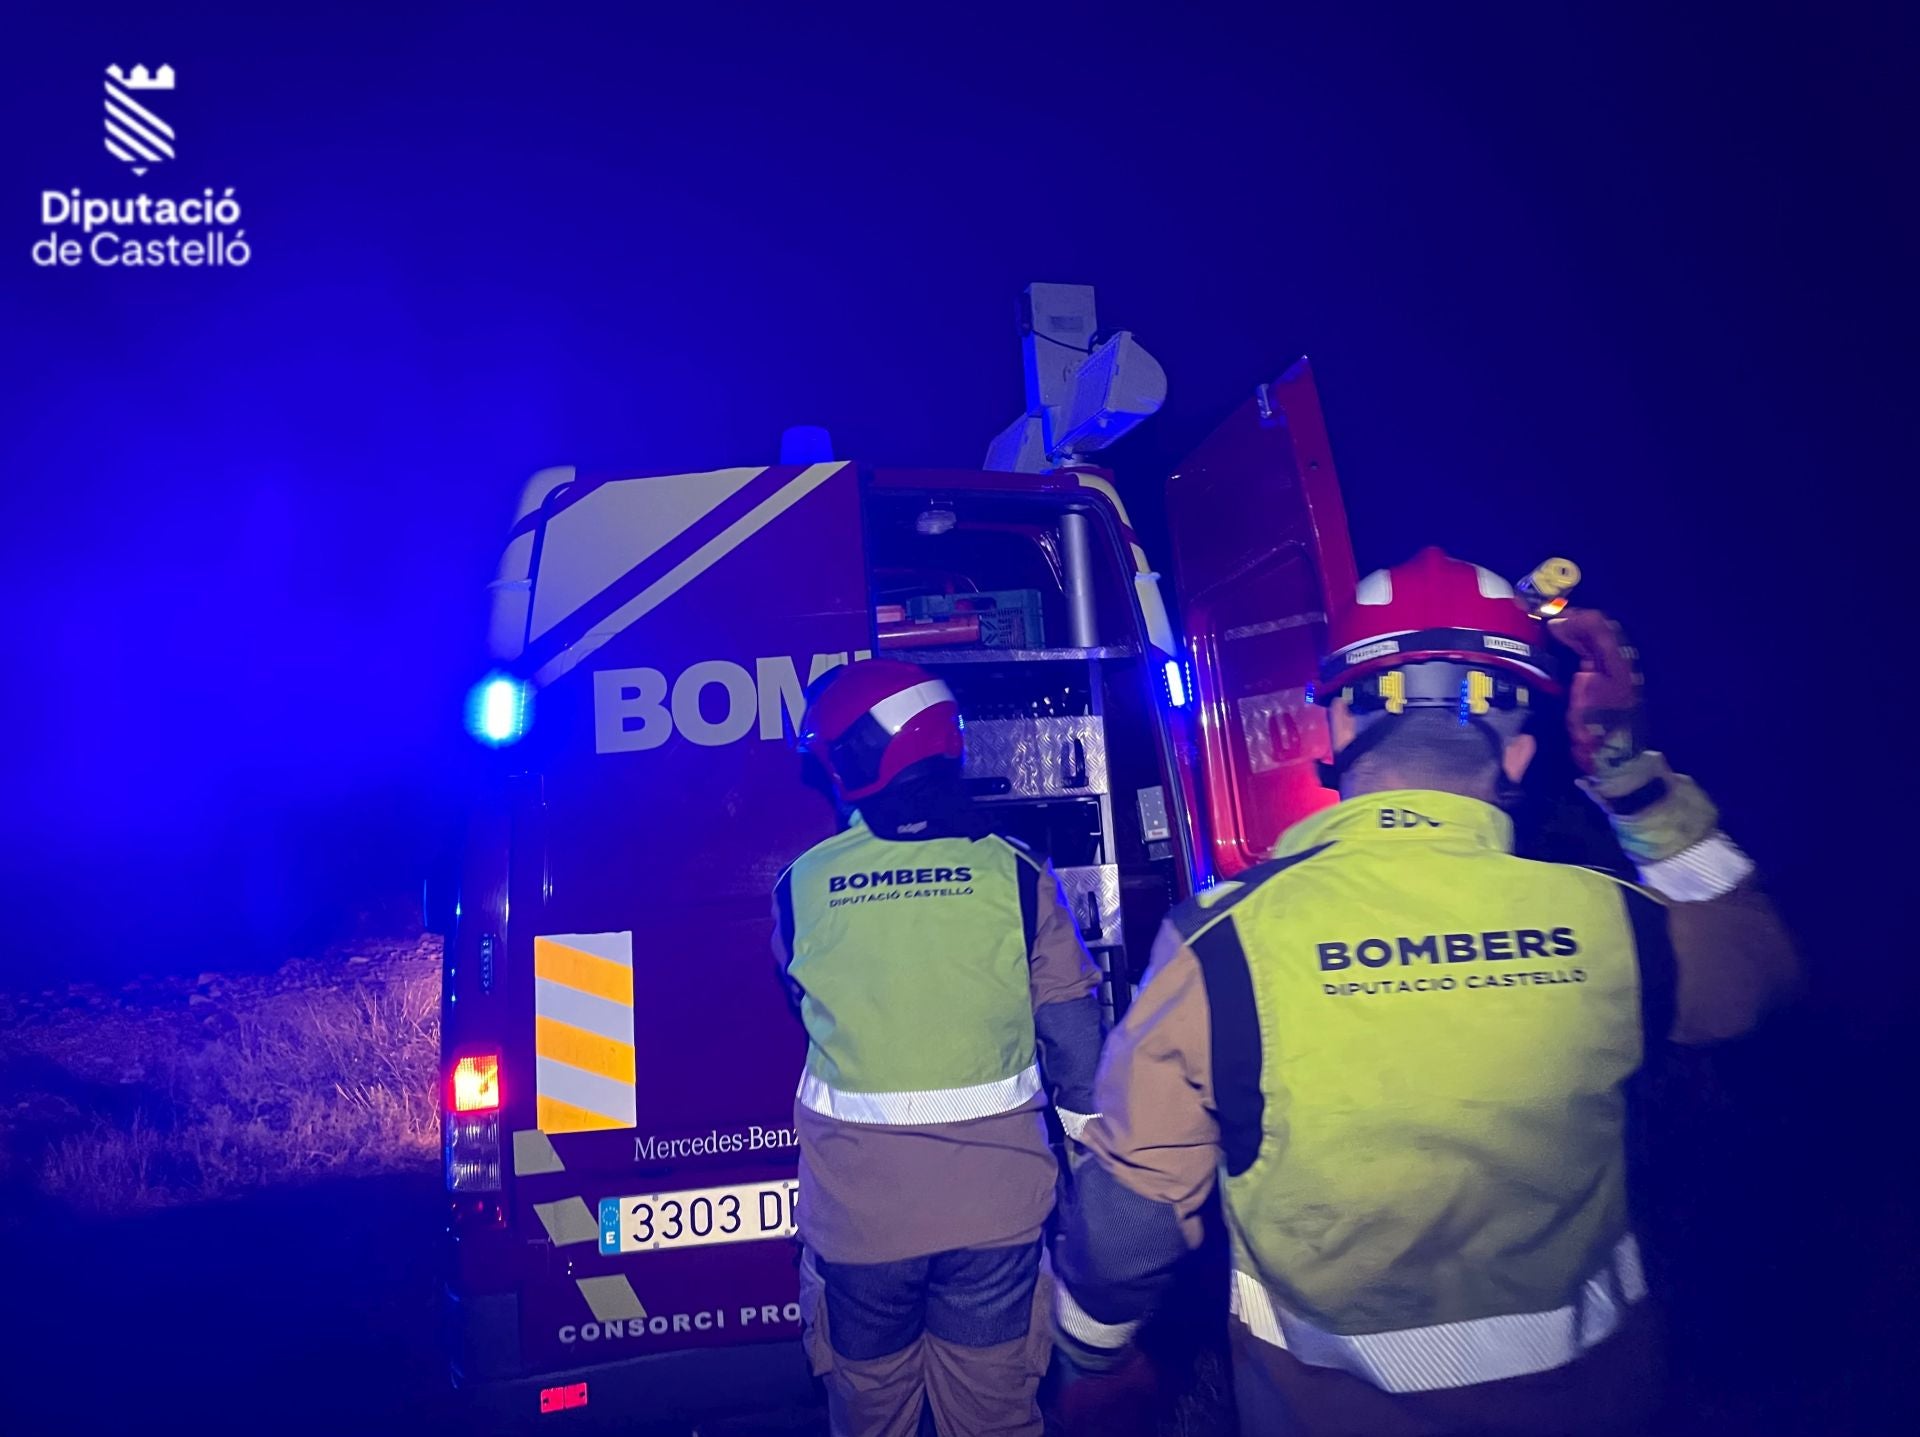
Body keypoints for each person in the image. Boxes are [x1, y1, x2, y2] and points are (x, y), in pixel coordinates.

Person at [1051, 547, 1798, 1436]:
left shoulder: (1221, 941)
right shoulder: (1615, 922)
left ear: (1331, 729)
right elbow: (1761, 970)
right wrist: (1630, 776)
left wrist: (1094, 1358)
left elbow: (1130, 1222)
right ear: (1520, 753)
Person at [773, 657, 1104, 1437]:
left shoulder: (802, 885)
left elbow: (801, 1005)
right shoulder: (1019, 876)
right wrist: (1102, 1184)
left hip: (860, 1229)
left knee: (872, 1413)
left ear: (852, 760)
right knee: (991, 1415)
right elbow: (1077, 1051)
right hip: (996, 1219)